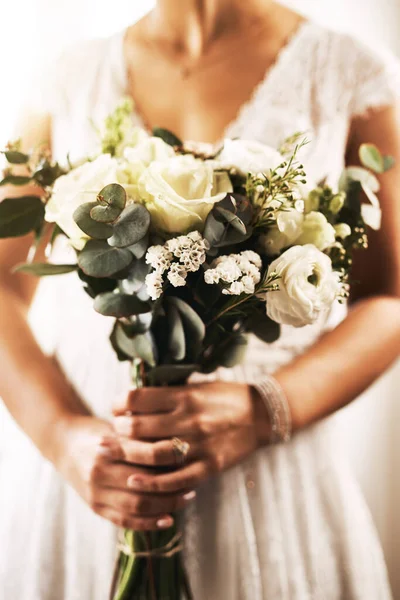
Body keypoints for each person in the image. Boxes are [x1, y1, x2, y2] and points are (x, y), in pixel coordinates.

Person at [0, 0, 399, 598]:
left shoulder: (343, 71)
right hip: (96, 473)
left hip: (270, 475)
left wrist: (265, 410)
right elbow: (3, 284)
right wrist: (62, 437)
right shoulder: (70, 78)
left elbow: (390, 298)